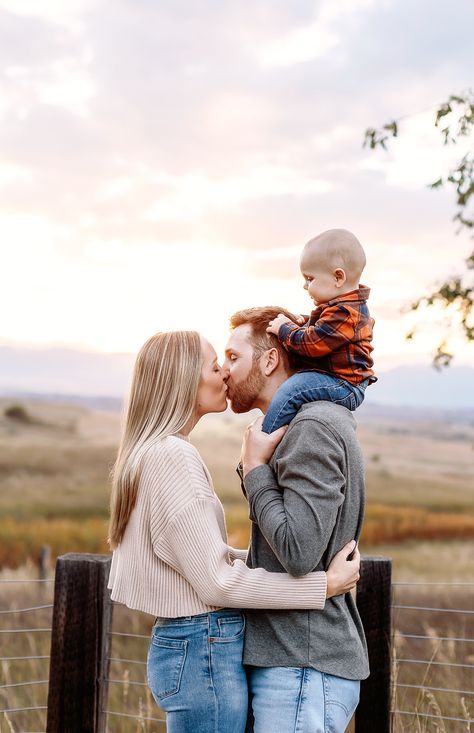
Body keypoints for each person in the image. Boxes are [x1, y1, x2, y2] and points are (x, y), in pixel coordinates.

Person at [107, 330, 361, 733]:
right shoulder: (172, 456)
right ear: (183, 379)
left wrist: (252, 557)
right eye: (214, 366)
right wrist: (322, 586)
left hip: (194, 646)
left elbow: (198, 559)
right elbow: (217, 585)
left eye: (227, 361)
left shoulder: (156, 451)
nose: (224, 374)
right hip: (202, 645)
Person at [223, 307, 370, 733]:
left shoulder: (312, 427)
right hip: (294, 665)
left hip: (304, 667)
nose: (225, 370)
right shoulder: (300, 425)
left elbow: (298, 551)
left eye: (234, 357)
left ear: (269, 361)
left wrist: (255, 473)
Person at [263, 228, 376, 433]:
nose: (305, 286)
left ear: (338, 277)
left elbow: (312, 344)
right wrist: (302, 321)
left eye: (309, 278)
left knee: (292, 389)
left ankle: (265, 436)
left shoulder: (345, 313)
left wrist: (284, 329)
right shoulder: (341, 309)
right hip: (338, 380)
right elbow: (322, 329)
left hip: (344, 385)